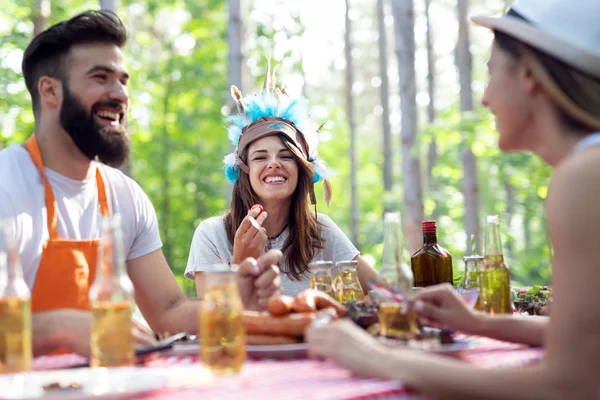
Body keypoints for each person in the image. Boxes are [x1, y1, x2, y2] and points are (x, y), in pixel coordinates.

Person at [307, 0, 600, 398]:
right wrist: (478, 321)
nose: (484, 98)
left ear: (529, 74)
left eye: (491, 73)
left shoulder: (583, 178)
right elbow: (582, 343)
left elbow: (572, 385)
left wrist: (380, 359)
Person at [0, 10, 282, 357]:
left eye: (123, 80)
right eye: (100, 77)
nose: (120, 94)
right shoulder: (7, 186)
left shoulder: (125, 196)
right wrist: (63, 327)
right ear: (50, 90)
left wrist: (235, 298)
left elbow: (168, 312)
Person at [185, 63, 378, 298]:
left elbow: (382, 292)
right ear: (243, 170)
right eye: (260, 157)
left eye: (286, 156)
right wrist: (240, 262)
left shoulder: (322, 231)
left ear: (302, 168)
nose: (274, 163)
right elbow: (214, 318)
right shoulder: (211, 235)